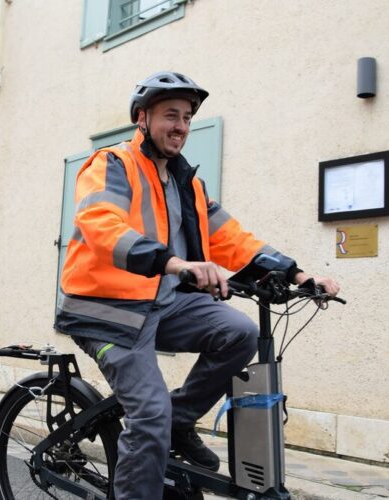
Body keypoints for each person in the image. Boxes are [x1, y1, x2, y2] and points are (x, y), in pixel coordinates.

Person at [54, 71, 340, 499]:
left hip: (162, 306)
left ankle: (178, 421)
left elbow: (233, 240)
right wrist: (173, 263)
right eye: (171, 115)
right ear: (142, 118)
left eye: (187, 117)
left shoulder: (188, 184)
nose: (181, 127)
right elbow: (101, 225)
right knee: (148, 414)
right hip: (106, 312)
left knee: (237, 333)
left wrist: (299, 275)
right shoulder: (113, 164)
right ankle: (158, 431)